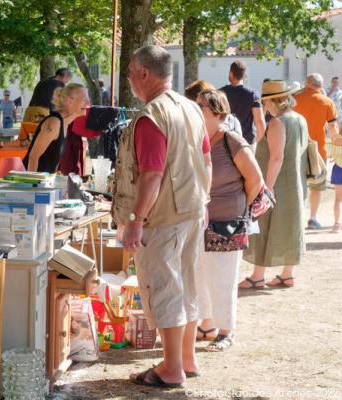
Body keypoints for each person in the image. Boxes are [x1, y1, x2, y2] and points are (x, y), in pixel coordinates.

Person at [115, 45, 211, 388]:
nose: (128, 77)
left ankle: (172, 368)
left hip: (165, 216)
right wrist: (204, 200)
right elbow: (206, 160)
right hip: (192, 209)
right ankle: (186, 358)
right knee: (186, 284)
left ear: (144, 73)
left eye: (129, 71)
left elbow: (151, 175)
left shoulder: (152, 115)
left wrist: (135, 220)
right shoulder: (192, 108)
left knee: (164, 288)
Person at [194, 89, 263, 351]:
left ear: (217, 112)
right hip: (201, 219)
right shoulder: (199, 139)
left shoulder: (231, 140)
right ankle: (207, 324)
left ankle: (226, 331)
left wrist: (239, 206)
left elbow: (255, 179)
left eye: (201, 106)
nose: (196, 110)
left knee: (223, 277)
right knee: (201, 273)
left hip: (228, 220)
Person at [239, 80, 309, 289]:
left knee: (264, 226)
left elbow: (276, 158)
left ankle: (258, 275)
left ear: (272, 102)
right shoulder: (300, 119)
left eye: (265, 102)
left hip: (277, 183)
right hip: (294, 182)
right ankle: (287, 274)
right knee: (289, 227)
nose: (264, 106)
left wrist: (265, 189)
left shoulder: (278, 122)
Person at [294, 73, 338, 229]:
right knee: (316, 186)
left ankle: (298, 218)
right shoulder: (327, 102)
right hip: (318, 151)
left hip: (296, 149)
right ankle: (312, 218)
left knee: (298, 184)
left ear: (307, 83)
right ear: (320, 85)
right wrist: (336, 149)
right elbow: (333, 130)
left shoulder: (295, 100)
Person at [22, 83, 89, 173]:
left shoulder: (65, 124)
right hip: (32, 181)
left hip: (44, 182)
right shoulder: (54, 123)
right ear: (69, 101)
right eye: (84, 99)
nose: (88, 103)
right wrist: (33, 185)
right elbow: (33, 157)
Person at [220, 61, 266, 147]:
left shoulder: (220, 93)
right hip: (247, 142)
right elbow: (260, 121)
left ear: (231, 73)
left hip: (226, 143)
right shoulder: (253, 94)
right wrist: (256, 142)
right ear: (244, 75)